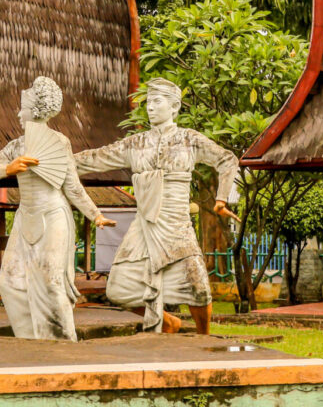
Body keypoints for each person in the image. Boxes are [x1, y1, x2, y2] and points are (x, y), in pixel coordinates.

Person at [74, 77, 238, 334]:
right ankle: (168, 320)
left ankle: (204, 336)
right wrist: (56, 159)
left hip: (175, 223)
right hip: (144, 224)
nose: (150, 107)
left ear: (174, 107)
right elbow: (94, 158)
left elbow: (227, 159)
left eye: (157, 101)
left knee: (198, 288)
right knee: (118, 288)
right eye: (148, 102)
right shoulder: (135, 144)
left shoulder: (188, 140)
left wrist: (221, 198)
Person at [0, 76, 112, 340]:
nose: (18, 112)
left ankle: (60, 341)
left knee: (51, 281)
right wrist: (6, 169)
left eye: (22, 107)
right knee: (9, 282)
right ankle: (29, 338)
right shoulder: (15, 147)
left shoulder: (59, 142)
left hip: (54, 215)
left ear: (35, 109)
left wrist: (96, 214)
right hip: (26, 216)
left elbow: (72, 187)